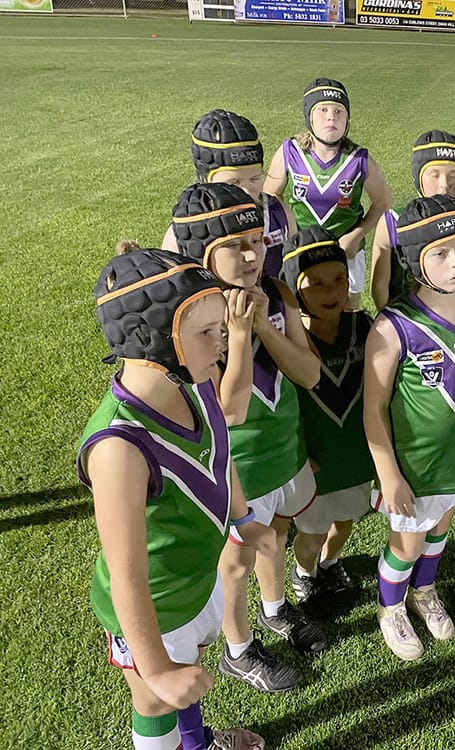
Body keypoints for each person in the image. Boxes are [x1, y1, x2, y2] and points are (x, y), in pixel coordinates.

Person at [79, 247, 277, 750]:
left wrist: (242, 517)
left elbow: (220, 440)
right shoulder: (119, 447)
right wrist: (154, 666)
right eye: (206, 333)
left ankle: (197, 742)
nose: (221, 345)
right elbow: (127, 573)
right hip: (153, 607)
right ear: (154, 342)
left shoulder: (193, 381)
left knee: (187, 675)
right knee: (155, 701)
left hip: (194, 579)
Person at [171, 183, 327, 694]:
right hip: (239, 470)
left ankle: (277, 610)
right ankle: (239, 651)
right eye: (235, 245)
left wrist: (266, 324)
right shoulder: (194, 321)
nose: (251, 254)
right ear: (202, 253)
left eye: (258, 240)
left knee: (276, 537)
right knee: (234, 563)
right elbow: (230, 410)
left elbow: (308, 374)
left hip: (285, 453)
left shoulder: (277, 293)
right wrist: (239, 336)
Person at [364, 195, 455, 661]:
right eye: (440, 254)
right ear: (415, 261)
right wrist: (390, 475)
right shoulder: (394, 325)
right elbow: (372, 409)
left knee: (442, 528)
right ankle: (389, 606)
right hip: (416, 469)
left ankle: (424, 591)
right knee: (408, 544)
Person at [279, 227, 375, 609]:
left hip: (355, 456)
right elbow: (282, 412)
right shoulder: (285, 346)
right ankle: (305, 573)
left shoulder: (365, 328)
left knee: (347, 520)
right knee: (312, 531)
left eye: (338, 278)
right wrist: (297, 455)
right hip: (315, 463)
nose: (332, 291)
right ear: (294, 291)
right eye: (315, 283)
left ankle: (331, 563)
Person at [263, 78, 392, 307]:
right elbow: (270, 198)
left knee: (348, 313)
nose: (331, 117)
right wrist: (292, 232)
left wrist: (356, 236)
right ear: (309, 117)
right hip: (302, 249)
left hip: (346, 253)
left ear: (347, 120)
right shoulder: (289, 152)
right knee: (302, 313)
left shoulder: (359, 159)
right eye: (322, 110)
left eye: (339, 111)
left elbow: (383, 202)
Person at [162, 109, 297, 279]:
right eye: (233, 183)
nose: (247, 191)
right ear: (205, 180)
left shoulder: (280, 214)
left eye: (255, 178)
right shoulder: (184, 232)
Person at [369, 130, 455, 310]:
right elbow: (379, 285)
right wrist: (391, 322)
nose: (444, 184)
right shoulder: (392, 222)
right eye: (434, 174)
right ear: (417, 177)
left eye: (453, 175)